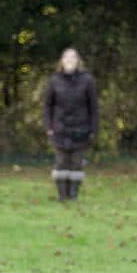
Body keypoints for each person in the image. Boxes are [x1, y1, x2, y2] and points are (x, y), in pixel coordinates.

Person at [43, 48, 99, 201]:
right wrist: (49, 126)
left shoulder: (87, 80)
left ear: (78, 61)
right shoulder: (54, 80)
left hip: (81, 129)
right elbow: (47, 105)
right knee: (61, 163)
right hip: (59, 129)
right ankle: (62, 195)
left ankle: (73, 195)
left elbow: (93, 107)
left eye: (73, 57)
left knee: (76, 164)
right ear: (61, 61)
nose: (69, 60)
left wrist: (94, 129)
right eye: (66, 57)